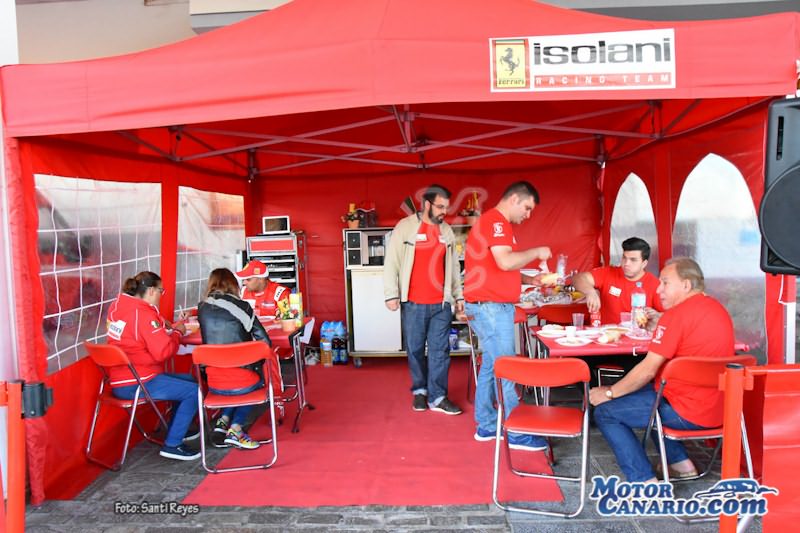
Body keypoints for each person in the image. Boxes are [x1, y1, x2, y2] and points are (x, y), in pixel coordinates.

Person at [589, 257, 735, 483]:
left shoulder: (676, 316)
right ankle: (680, 464)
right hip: (724, 409)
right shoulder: (718, 309)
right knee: (647, 393)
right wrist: (662, 324)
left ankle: (644, 483)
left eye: (665, 283)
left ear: (686, 285)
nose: (658, 290)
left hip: (684, 410)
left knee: (605, 413)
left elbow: (647, 370)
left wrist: (609, 393)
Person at [464, 181, 552, 451]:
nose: (528, 215)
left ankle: (487, 425)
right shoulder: (496, 222)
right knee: (507, 367)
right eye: (527, 208)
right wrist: (537, 252)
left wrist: (528, 279)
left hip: (489, 306)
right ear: (514, 199)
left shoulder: (496, 223)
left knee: (492, 366)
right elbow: (505, 261)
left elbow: (499, 266)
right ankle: (516, 432)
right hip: (490, 307)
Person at [383, 184, 465, 415]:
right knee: (415, 349)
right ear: (427, 204)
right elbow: (392, 262)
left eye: (446, 207)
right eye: (440, 207)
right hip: (413, 303)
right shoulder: (405, 227)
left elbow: (453, 267)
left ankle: (438, 397)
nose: (444, 212)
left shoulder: (446, 231)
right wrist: (391, 294)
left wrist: (458, 295)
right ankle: (420, 390)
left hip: (441, 304)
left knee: (440, 352)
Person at [106, 271, 200, 461]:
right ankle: (173, 444)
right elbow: (163, 352)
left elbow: (135, 335)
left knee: (188, 380)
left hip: (120, 378)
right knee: (193, 390)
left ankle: (177, 429)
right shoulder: (143, 314)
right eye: (160, 290)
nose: (161, 295)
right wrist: (177, 333)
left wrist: (164, 327)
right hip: (138, 382)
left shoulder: (118, 306)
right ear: (150, 291)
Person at [198, 268, 276, 450]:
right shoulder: (243, 307)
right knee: (257, 381)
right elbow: (265, 343)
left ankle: (223, 419)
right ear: (233, 284)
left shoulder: (202, 307)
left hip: (214, 382)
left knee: (232, 381)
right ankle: (236, 428)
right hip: (243, 380)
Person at [572, 237, 663, 327]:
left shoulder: (654, 284)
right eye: (624, 258)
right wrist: (590, 292)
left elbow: (668, 315)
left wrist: (657, 315)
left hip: (637, 334)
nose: (626, 263)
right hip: (606, 333)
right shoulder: (608, 273)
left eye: (633, 260)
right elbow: (578, 278)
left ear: (644, 263)